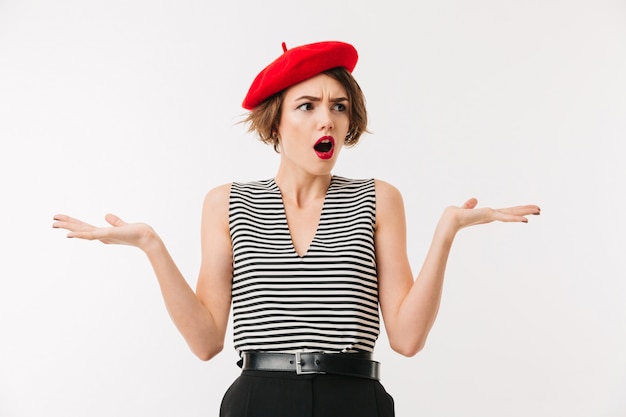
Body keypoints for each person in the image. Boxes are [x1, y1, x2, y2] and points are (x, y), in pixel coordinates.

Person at [52, 40, 540, 417]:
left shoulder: (378, 199)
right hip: (258, 400)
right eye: (306, 106)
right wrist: (151, 246)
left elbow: (408, 340)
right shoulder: (226, 203)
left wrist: (446, 233)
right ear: (275, 123)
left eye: (339, 106)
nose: (326, 120)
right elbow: (205, 342)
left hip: (354, 399)